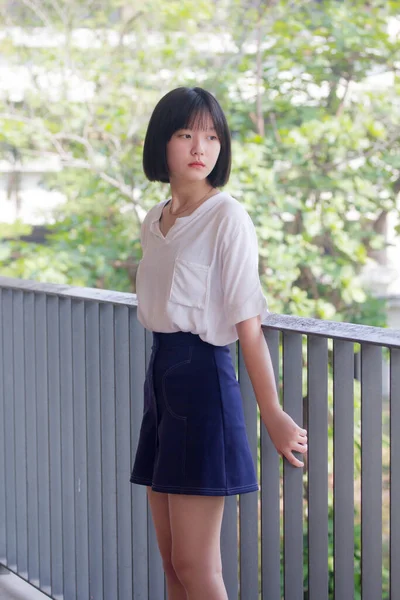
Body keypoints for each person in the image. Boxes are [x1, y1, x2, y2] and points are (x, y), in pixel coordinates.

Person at [130, 86, 308, 600]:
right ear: (162, 144)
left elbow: (246, 323)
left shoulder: (227, 216)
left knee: (196, 565)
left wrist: (272, 412)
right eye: (186, 134)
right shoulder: (155, 220)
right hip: (162, 384)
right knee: (170, 562)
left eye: (211, 136)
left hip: (205, 384)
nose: (199, 147)